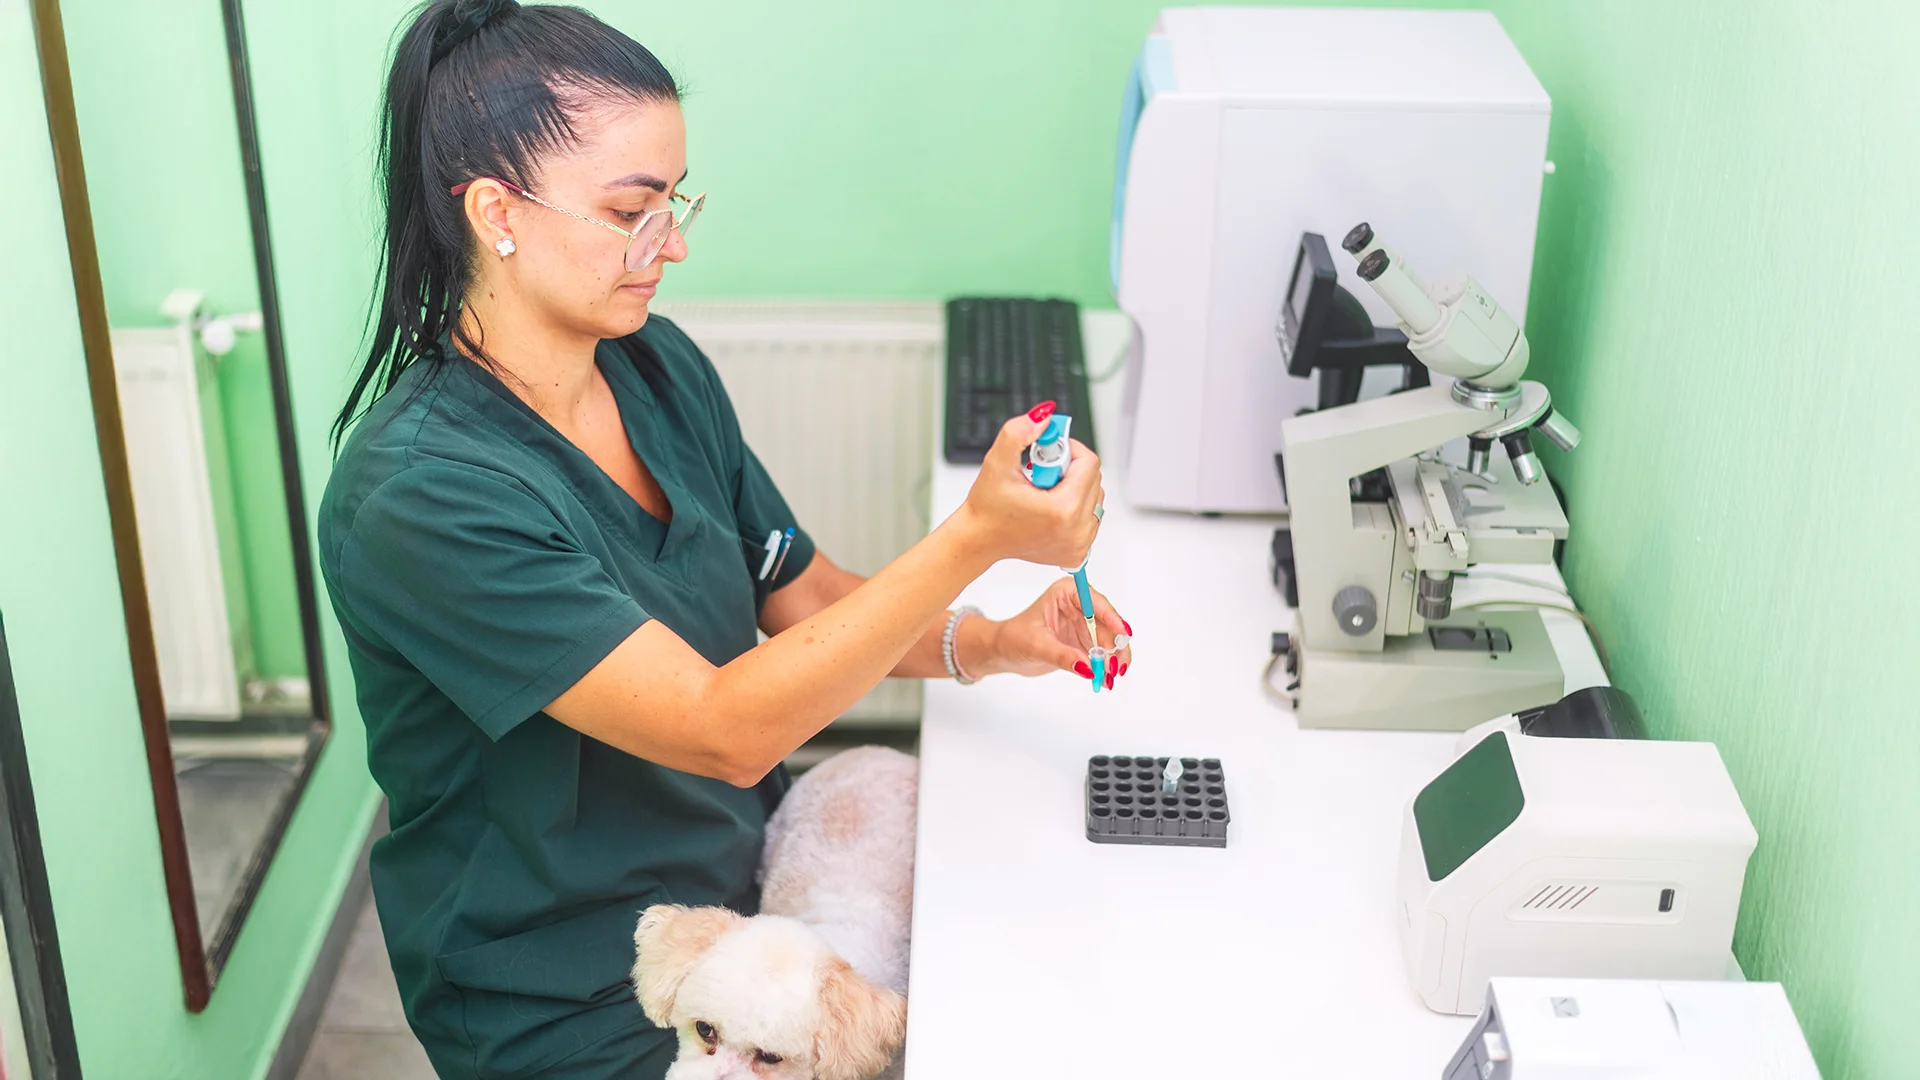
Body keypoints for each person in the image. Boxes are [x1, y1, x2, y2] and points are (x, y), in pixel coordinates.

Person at [315, 2, 1132, 1077]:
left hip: (744, 892)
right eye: (634, 212)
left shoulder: (654, 368)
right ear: (494, 213)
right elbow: (722, 729)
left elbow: (798, 593)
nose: (675, 245)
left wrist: (989, 640)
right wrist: (975, 536)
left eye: (676, 202)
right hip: (578, 997)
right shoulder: (421, 494)